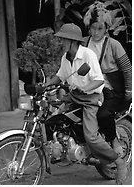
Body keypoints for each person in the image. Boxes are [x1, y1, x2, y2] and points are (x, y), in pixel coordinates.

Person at [43, 23, 128, 185]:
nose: (60, 42)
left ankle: (118, 162)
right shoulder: (66, 57)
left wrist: (84, 87)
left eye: (63, 40)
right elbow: (60, 76)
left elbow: (98, 80)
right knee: (56, 120)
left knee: (91, 137)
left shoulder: (88, 55)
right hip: (74, 97)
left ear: (73, 41)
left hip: (91, 100)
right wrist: (46, 85)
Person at [83, 1, 132, 157]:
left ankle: (114, 142)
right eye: (93, 28)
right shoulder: (84, 44)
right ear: (88, 27)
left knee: (103, 115)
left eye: (100, 28)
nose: (96, 32)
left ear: (106, 29)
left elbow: (127, 69)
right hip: (90, 88)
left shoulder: (113, 45)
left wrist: (130, 90)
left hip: (112, 91)